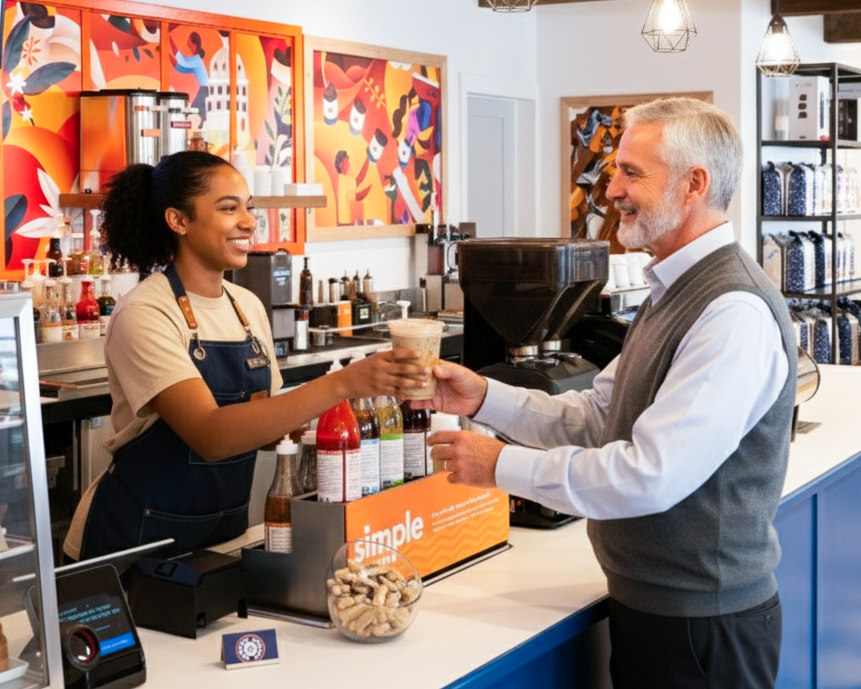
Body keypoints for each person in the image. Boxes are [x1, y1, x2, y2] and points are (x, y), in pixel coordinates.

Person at [423, 98, 798, 689]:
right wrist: (483, 398)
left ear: (693, 183)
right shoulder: (670, 291)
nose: (609, 190)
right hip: (655, 609)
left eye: (631, 173)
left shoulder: (732, 311)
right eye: (613, 171)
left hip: (703, 630)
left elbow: (651, 474)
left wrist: (503, 466)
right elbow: (600, 414)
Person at [62, 151, 424, 563]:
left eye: (248, 208)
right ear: (178, 220)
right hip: (133, 545)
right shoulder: (145, 313)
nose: (249, 221)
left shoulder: (247, 306)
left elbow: (268, 428)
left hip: (221, 538)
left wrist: (357, 413)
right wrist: (344, 382)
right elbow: (212, 435)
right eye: (229, 208)